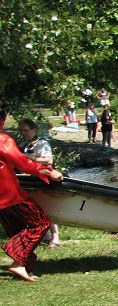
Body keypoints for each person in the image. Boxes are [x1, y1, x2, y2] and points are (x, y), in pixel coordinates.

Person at [0, 108, 63, 281]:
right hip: (9, 194)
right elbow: (24, 164)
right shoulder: (3, 140)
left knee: (16, 230)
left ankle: (25, 268)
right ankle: (17, 263)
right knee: (40, 224)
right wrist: (48, 172)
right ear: (3, 120)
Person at [18, 119, 61, 248]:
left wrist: (30, 159)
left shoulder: (42, 143)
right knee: (36, 209)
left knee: (48, 209)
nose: (24, 133)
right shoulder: (25, 145)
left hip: (42, 180)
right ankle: (46, 236)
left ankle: (55, 238)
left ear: (34, 130)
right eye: (22, 131)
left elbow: (49, 160)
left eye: (26, 130)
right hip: (30, 181)